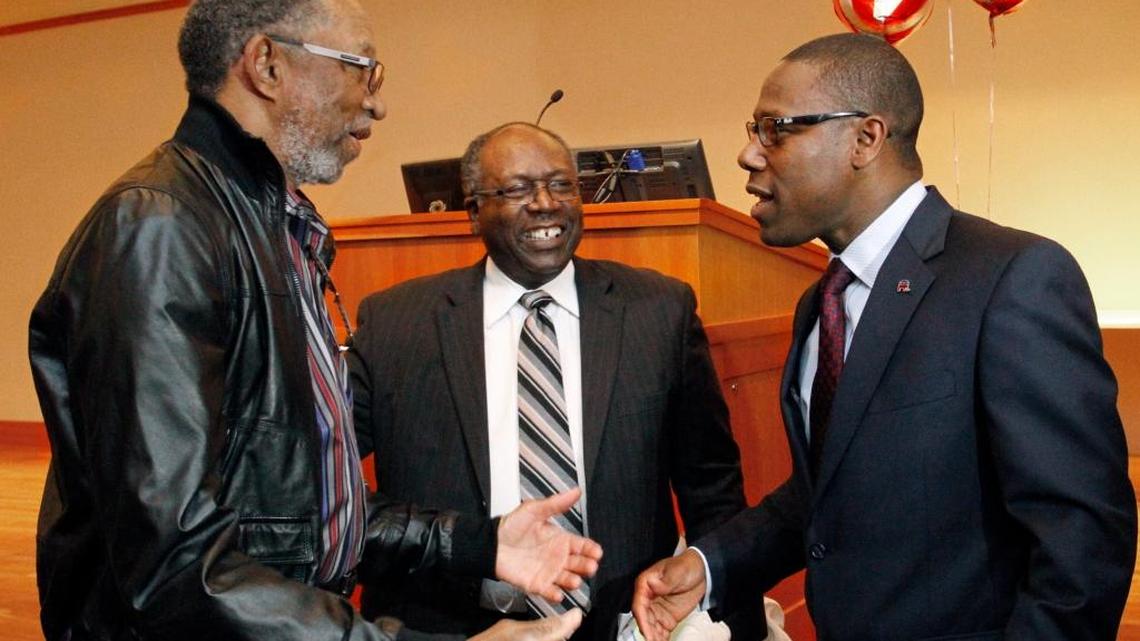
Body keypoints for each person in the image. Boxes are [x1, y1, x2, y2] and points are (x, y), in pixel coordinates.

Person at [29, 2, 601, 640]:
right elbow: (176, 563)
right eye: (364, 69)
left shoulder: (275, 227)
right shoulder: (161, 228)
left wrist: (481, 545)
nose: (377, 103)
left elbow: (296, 508)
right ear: (267, 65)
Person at [632, 33, 1137, 641]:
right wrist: (710, 564)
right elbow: (829, 489)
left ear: (865, 139)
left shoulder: (1012, 278)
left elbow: (1081, 540)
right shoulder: (820, 304)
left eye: (776, 129)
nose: (748, 154)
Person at [347, 122, 757, 640]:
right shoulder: (396, 323)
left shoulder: (658, 310)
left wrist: (740, 626)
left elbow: (712, 486)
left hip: (622, 623)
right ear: (473, 211)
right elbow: (321, 482)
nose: (545, 203)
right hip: (448, 629)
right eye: (517, 189)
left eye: (562, 185)